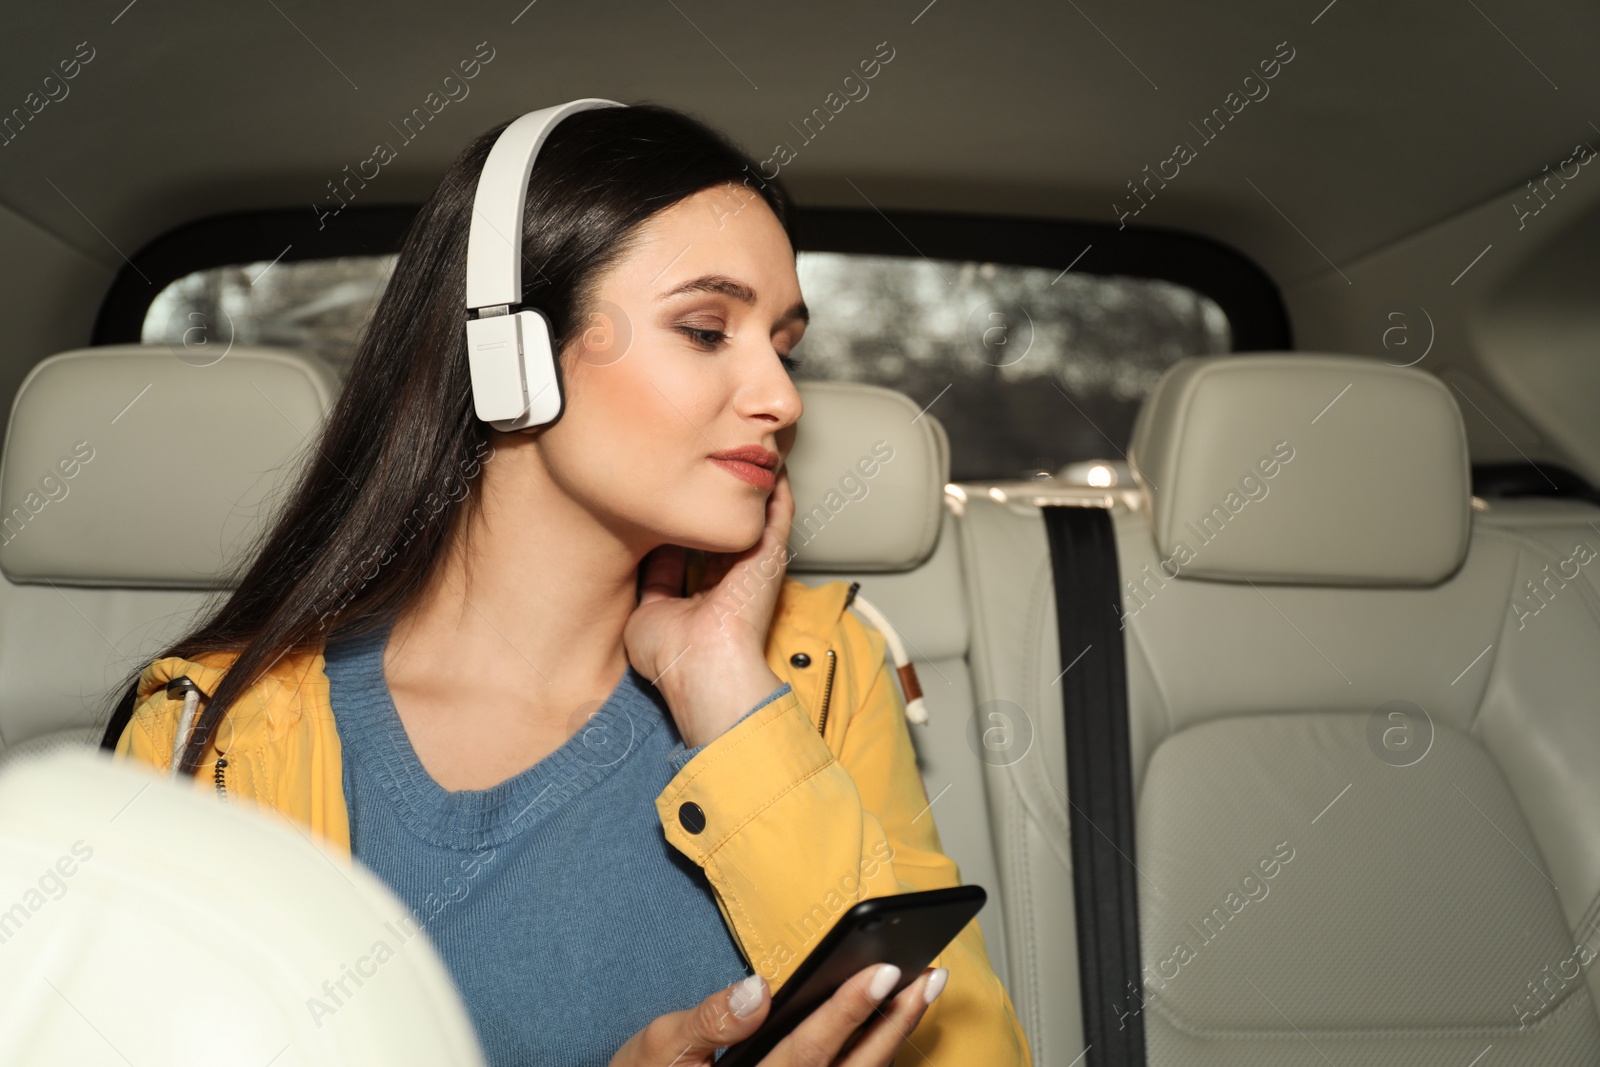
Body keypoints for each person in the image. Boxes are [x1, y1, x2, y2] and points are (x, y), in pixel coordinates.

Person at [111, 101, 1031, 1066]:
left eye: (784, 345)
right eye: (708, 329)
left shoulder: (821, 673)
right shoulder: (208, 735)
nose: (784, 397)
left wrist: (729, 694)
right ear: (509, 351)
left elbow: (975, 1048)